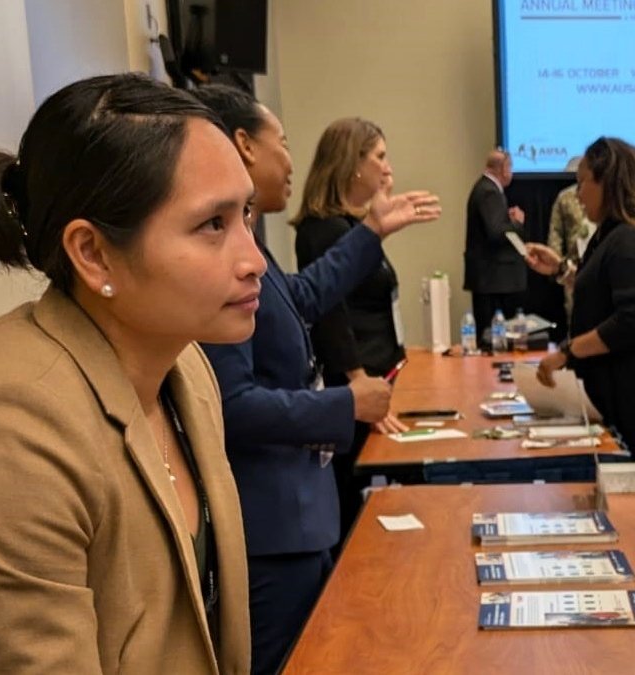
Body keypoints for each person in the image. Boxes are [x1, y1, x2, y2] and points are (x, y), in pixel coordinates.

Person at [0, 74, 257, 672]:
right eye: (212, 225)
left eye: (246, 214)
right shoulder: (5, 426)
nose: (254, 260)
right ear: (92, 253)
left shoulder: (187, 368)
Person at [191, 84, 439, 675]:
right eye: (284, 144)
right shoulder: (218, 254)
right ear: (245, 147)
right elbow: (233, 405)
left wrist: (371, 233)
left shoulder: (250, 242)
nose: (291, 161)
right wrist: (343, 403)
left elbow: (298, 298)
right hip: (270, 528)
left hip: (302, 518)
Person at [525, 137, 635, 481]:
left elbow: (630, 320)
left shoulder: (631, 240)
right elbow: (606, 287)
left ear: (607, 181)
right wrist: (561, 270)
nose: (577, 195)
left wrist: (566, 353)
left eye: (582, 183)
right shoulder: (615, 233)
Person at [293, 117, 428, 545]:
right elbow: (329, 311)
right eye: (380, 157)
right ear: (353, 163)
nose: (388, 168)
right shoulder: (324, 228)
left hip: (378, 375)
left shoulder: (354, 227)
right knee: (354, 498)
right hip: (355, 385)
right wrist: (356, 380)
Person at [465, 148, 526, 334]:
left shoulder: (486, 189)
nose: (512, 172)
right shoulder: (489, 191)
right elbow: (496, 233)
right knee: (492, 338)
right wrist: (517, 222)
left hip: (491, 278)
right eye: (511, 166)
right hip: (492, 278)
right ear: (503, 168)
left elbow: (492, 224)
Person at [547, 158, 596, 317]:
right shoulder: (565, 197)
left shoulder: (606, 200)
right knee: (575, 314)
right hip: (573, 265)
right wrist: (557, 263)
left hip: (599, 263)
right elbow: (556, 232)